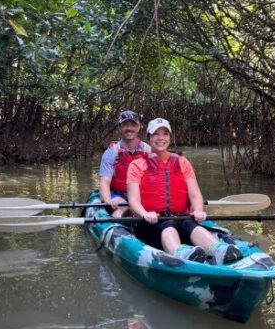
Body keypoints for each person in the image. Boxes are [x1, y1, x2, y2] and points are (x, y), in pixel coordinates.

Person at [125, 118, 241, 265]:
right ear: (148, 138)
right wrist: (145, 214)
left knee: (190, 224)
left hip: (180, 217)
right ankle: (180, 253)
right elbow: (133, 200)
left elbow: (195, 194)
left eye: (165, 134)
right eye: (156, 134)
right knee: (167, 225)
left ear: (170, 138)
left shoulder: (182, 161)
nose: (161, 138)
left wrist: (198, 210)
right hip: (150, 222)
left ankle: (219, 249)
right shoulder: (137, 165)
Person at [98, 110, 151, 219]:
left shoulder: (148, 150)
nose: (129, 128)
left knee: (140, 208)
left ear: (138, 127)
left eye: (132, 125)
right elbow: (104, 183)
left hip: (140, 194)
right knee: (122, 208)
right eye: (125, 125)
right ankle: (116, 227)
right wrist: (108, 202)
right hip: (118, 194)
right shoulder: (111, 152)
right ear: (120, 128)